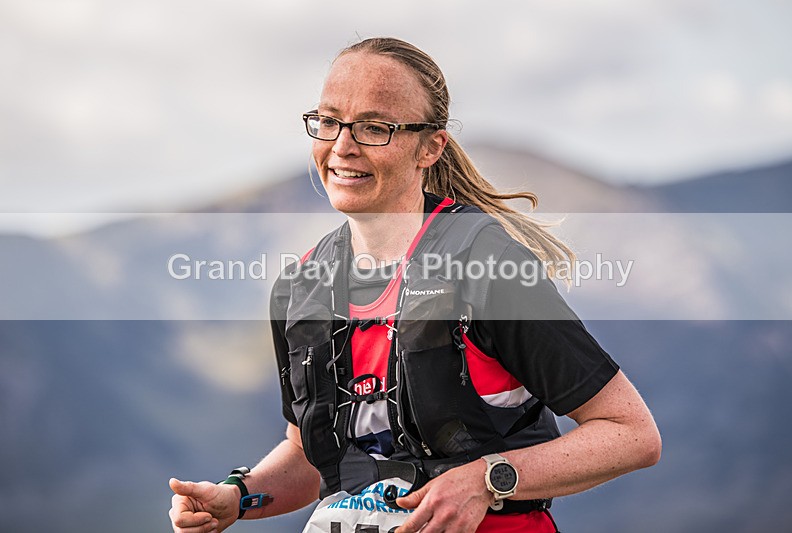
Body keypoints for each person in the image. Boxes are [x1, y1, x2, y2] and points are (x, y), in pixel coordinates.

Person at [168, 37, 661, 533]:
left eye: (374, 127)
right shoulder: (301, 287)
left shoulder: (483, 265)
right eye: (329, 120)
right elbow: (308, 456)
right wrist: (238, 495)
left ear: (431, 147)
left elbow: (632, 434)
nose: (342, 145)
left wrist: (486, 478)